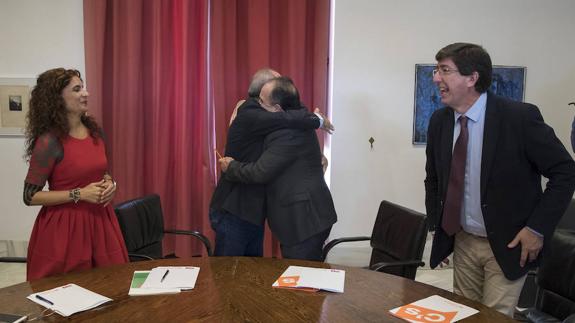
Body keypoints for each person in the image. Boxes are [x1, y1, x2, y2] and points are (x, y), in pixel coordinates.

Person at [424, 43, 575, 316]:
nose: (436, 78)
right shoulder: (439, 121)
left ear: (472, 78)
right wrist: (438, 227)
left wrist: (536, 229)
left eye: (444, 70)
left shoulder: (519, 118)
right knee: (463, 313)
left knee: (494, 318)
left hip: (509, 243)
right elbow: (433, 179)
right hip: (464, 240)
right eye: (436, 70)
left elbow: (565, 171)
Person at [209, 69, 333, 257]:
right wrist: (317, 120)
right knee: (229, 276)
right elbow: (261, 170)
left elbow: (293, 115)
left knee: (253, 276)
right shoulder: (250, 111)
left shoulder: (280, 115)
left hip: (257, 210)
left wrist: (312, 126)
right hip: (235, 208)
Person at [23, 68, 128, 280]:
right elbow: (30, 196)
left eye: (84, 87)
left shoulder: (95, 132)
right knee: (67, 298)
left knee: (111, 289)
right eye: (77, 89)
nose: (86, 93)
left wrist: (110, 184)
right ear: (57, 98)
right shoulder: (49, 141)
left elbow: (101, 172)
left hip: (101, 223)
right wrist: (79, 194)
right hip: (65, 231)